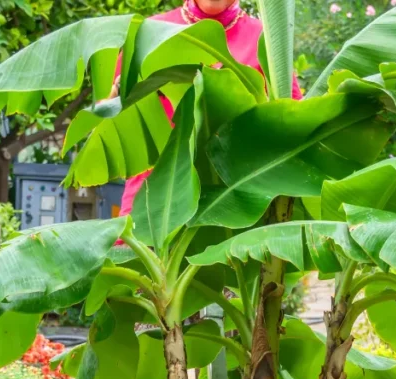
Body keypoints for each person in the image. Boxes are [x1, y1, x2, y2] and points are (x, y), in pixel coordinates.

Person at [116, 0, 302, 217]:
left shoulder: (265, 39)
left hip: (233, 199)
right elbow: (112, 113)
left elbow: (293, 118)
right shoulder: (152, 32)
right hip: (154, 196)